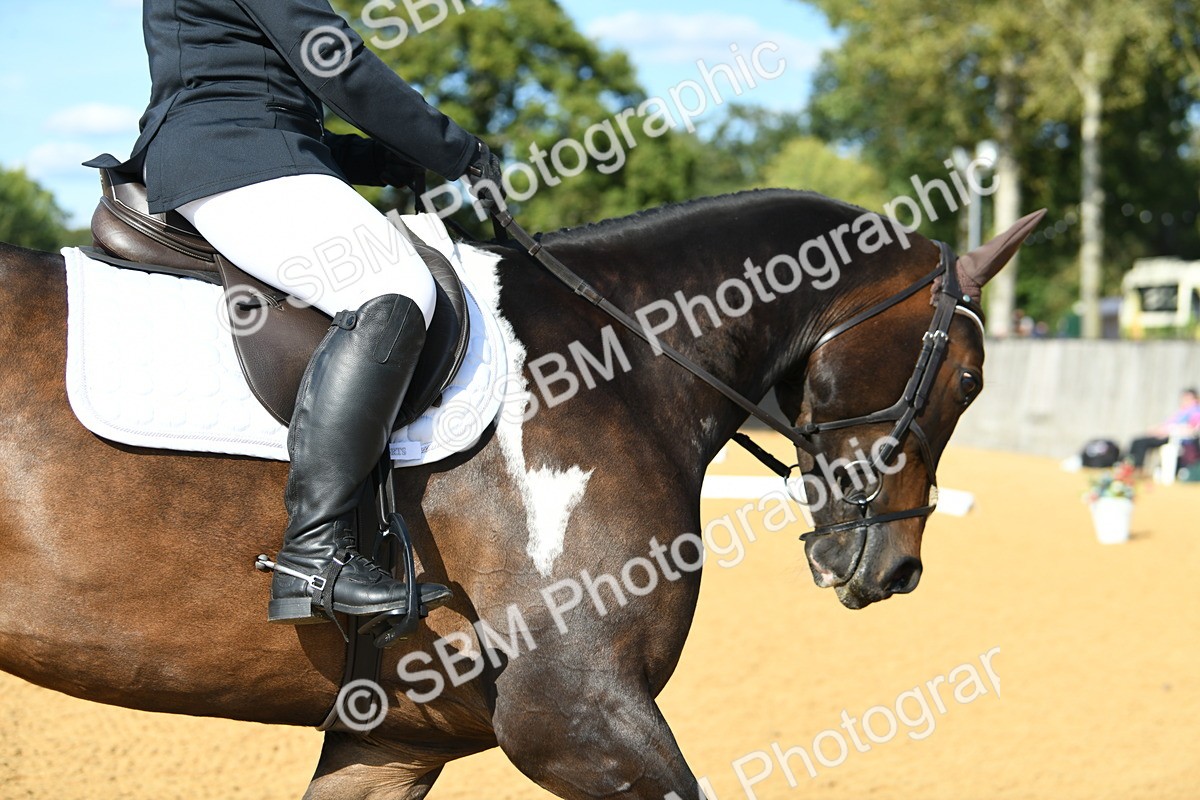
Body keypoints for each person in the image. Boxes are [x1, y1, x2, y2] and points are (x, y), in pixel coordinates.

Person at [86, 0, 503, 626]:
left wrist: (376, 159)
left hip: (235, 145)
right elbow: (333, 59)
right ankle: (315, 555)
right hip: (232, 156)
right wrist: (455, 149)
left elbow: (253, 86)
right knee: (392, 288)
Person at [1127, 388, 1200, 470]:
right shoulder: (1181, 412)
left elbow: (1192, 429)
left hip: (1174, 438)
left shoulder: (1195, 411)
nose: (1184, 400)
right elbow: (1167, 424)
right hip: (1165, 434)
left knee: (1141, 443)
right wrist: (1156, 429)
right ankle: (1129, 465)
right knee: (1137, 441)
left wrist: (1168, 430)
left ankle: (1136, 468)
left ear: (1194, 399)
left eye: (1187, 398)